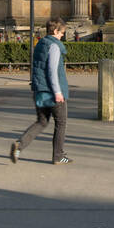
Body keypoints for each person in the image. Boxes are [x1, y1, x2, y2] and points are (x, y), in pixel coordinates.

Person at [10, 17, 71, 164]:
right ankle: (58, 156)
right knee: (61, 123)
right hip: (52, 91)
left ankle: (19, 145)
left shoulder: (40, 44)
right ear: (55, 31)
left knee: (42, 122)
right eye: (61, 32)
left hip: (39, 90)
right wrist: (57, 92)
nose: (62, 35)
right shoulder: (54, 46)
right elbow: (52, 71)